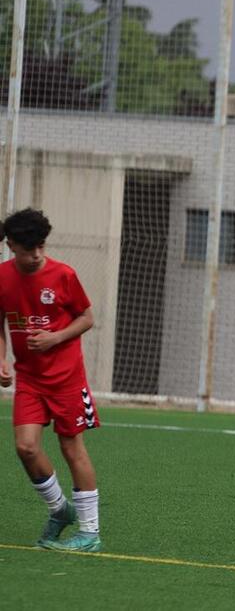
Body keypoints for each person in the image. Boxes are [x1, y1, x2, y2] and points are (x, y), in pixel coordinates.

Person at [0, 208, 102, 552]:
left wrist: (55, 338)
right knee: (25, 447)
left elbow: (87, 318)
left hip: (67, 379)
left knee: (71, 447)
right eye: (29, 249)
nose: (37, 255)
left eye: (42, 246)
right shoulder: (2, 278)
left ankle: (90, 533)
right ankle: (60, 511)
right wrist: (1, 359)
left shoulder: (64, 275)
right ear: (11, 245)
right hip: (29, 379)